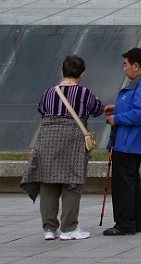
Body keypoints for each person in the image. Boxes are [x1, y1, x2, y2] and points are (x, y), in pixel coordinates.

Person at [20, 55, 105, 241]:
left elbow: (42, 111)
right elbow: (98, 109)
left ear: (62, 72)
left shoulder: (49, 93)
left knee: (48, 183)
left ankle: (49, 229)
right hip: (72, 139)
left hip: (47, 138)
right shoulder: (84, 93)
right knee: (72, 182)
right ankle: (69, 228)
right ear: (81, 74)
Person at [103, 48, 141, 236]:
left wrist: (116, 119)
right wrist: (118, 107)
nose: (124, 68)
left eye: (126, 64)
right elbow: (137, 107)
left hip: (128, 142)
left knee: (123, 184)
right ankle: (135, 221)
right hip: (135, 142)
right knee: (131, 182)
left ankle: (124, 223)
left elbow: (140, 114)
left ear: (136, 66)